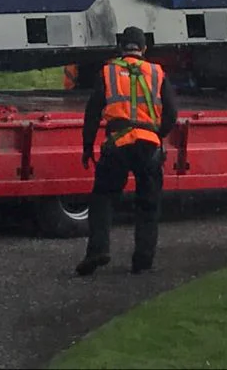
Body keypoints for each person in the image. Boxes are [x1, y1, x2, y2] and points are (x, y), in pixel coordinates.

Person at [75, 26, 179, 276]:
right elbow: (172, 113)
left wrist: (87, 147)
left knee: (103, 198)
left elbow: (92, 113)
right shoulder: (157, 72)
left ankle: (98, 250)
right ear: (144, 49)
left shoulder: (108, 71)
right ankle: (142, 261)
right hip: (148, 144)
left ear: (121, 48)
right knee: (148, 204)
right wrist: (157, 134)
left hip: (117, 143)